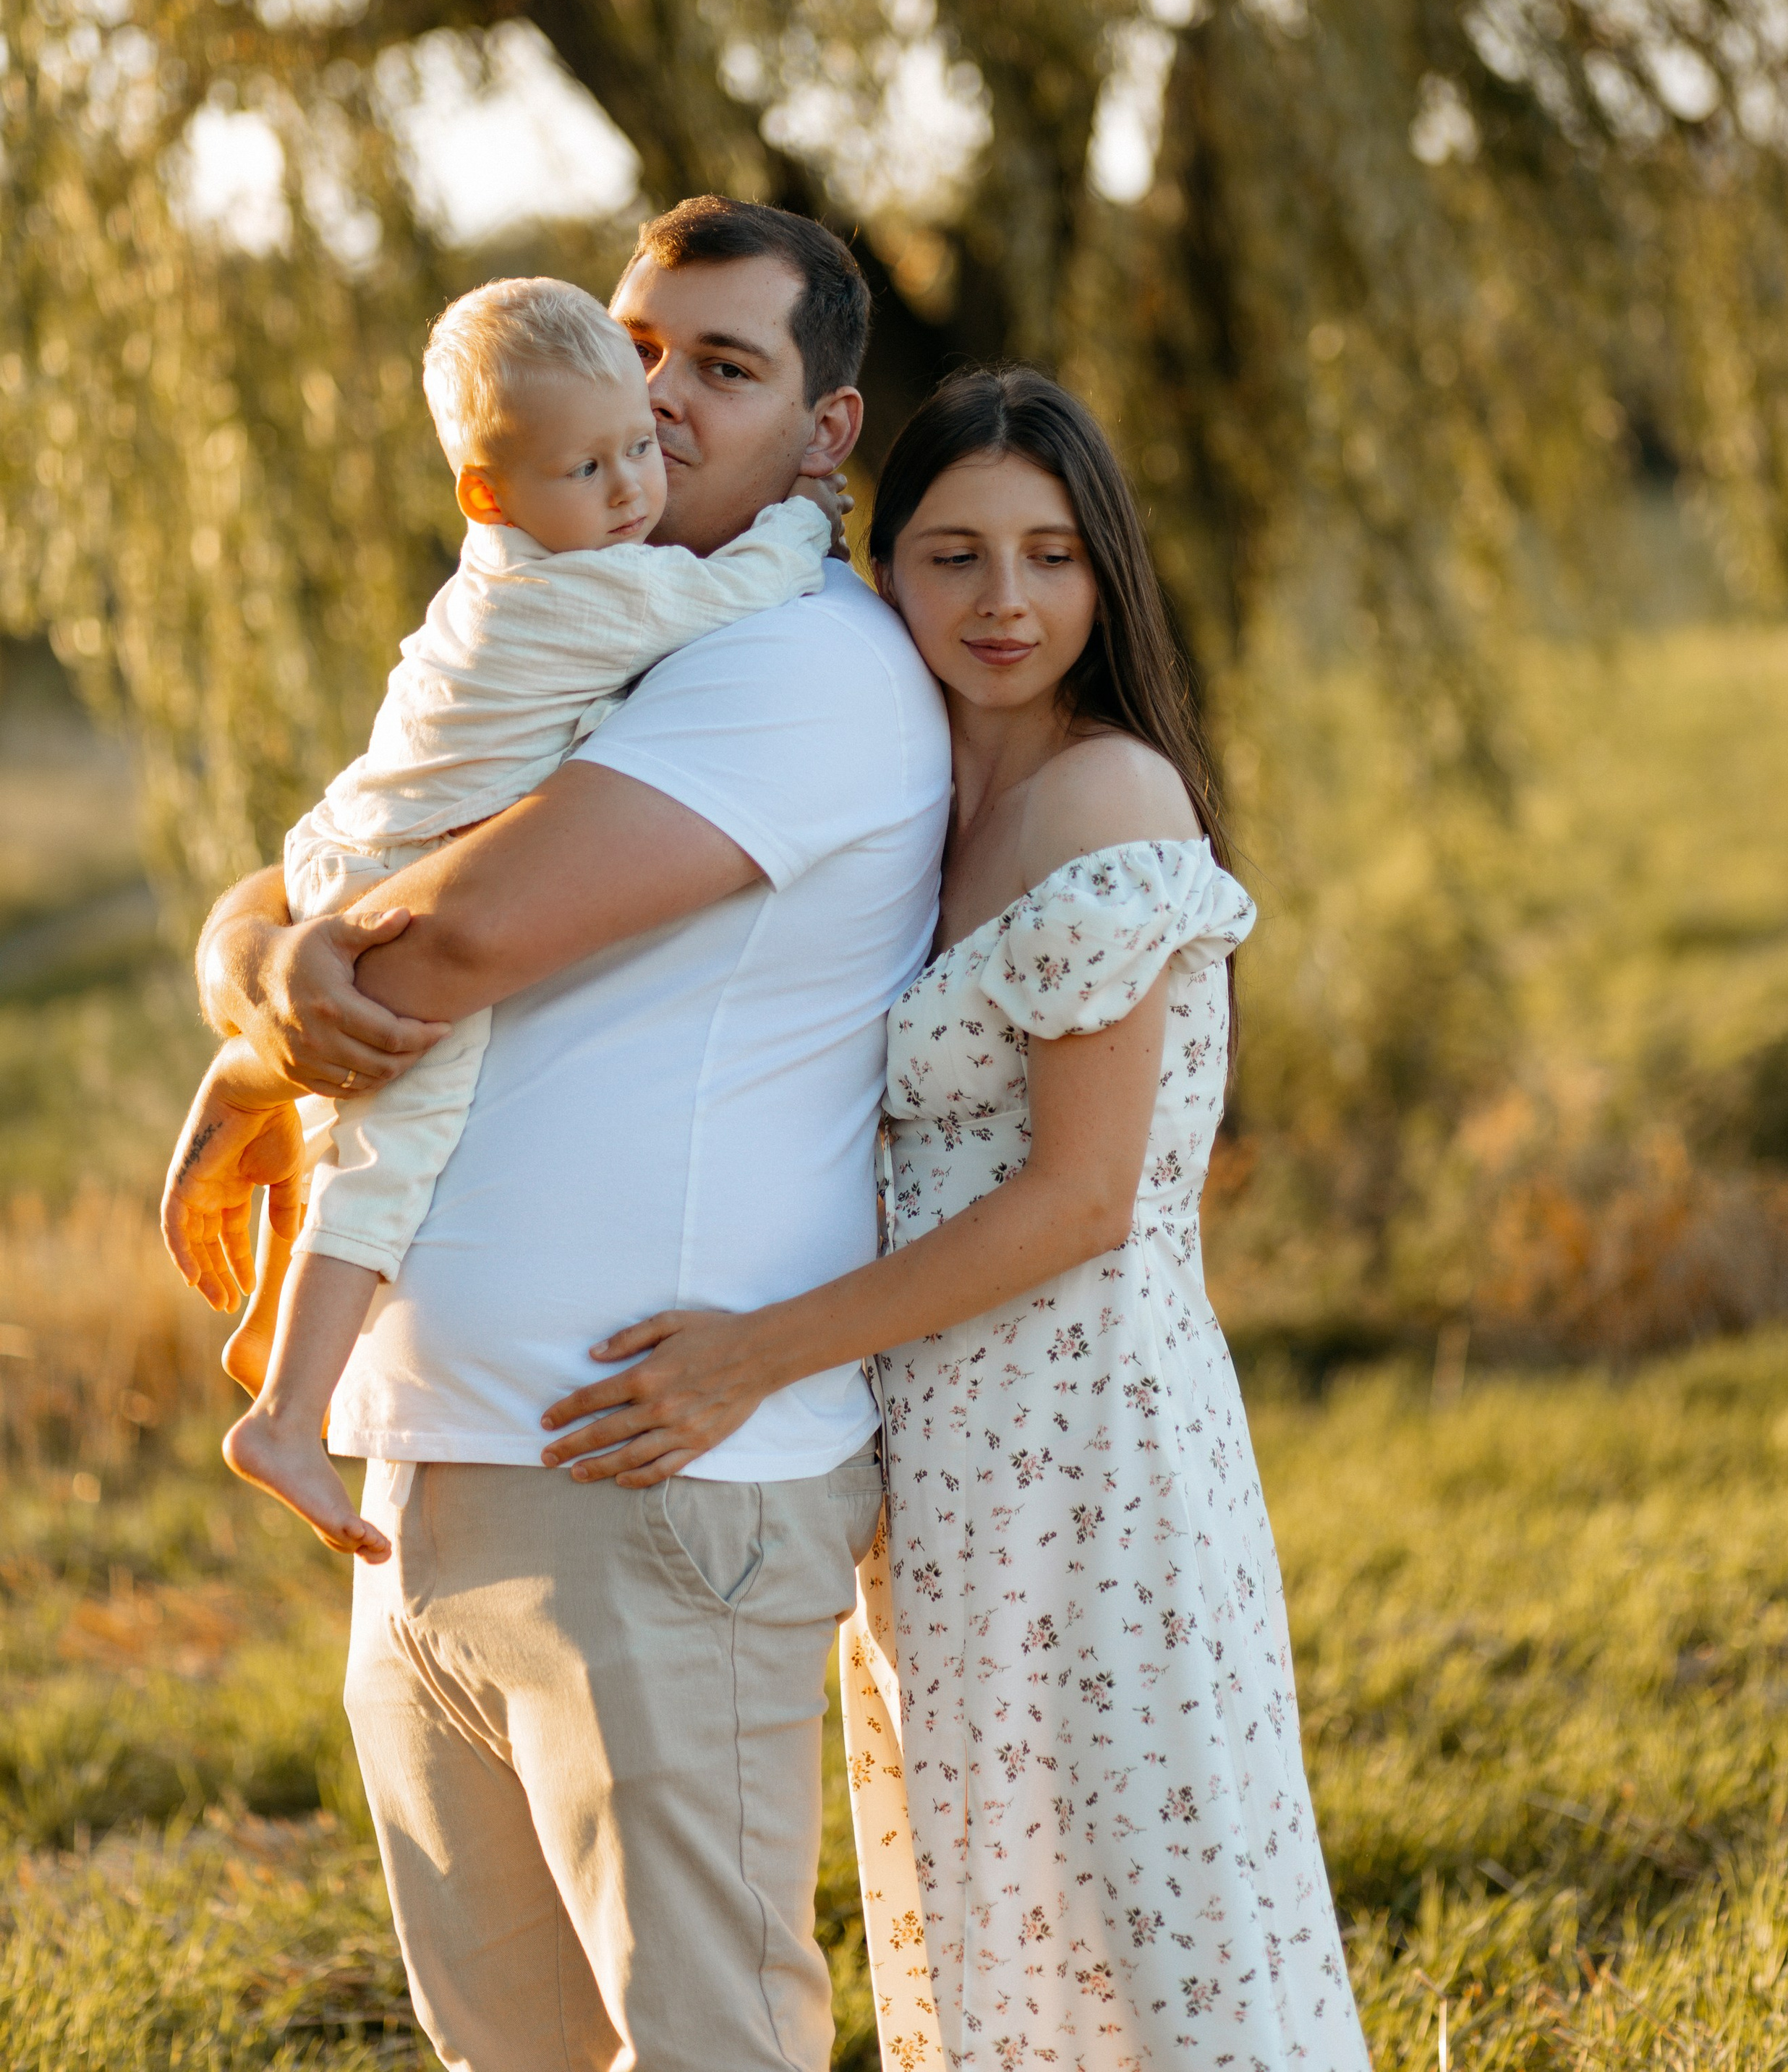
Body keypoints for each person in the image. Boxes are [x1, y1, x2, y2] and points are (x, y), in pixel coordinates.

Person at [159, 198, 950, 2072]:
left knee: (705, 2047)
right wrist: (245, 948)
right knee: (506, 2053)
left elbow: (447, 938)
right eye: (642, 343)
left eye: (727, 367)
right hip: (434, 1467)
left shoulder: (802, 664)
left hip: (649, 1485)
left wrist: (274, 984)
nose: (664, 398)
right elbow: (352, 852)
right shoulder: (568, 617)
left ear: (826, 436)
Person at [537, 369, 1372, 2072]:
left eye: (1052, 558)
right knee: (1005, 1918)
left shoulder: (1105, 799)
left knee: (1154, 1924)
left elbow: (1076, 1203)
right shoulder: (908, 804)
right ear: (882, 571)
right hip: (939, 1459)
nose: (1004, 604)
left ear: (1105, 579)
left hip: (1089, 1452)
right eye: (954, 556)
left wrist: (744, 1361)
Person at [163, 272, 833, 1564]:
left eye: (641, 441)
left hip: (352, 835)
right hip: (401, 867)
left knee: (350, 1107)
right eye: (594, 465)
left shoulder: (519, 555)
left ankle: (258, 1199)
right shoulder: (581, 595)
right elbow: (724, 595)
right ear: (487, 491)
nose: (637, 483)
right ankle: (288, 1416)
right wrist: (802, 523)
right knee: (394, 1141)